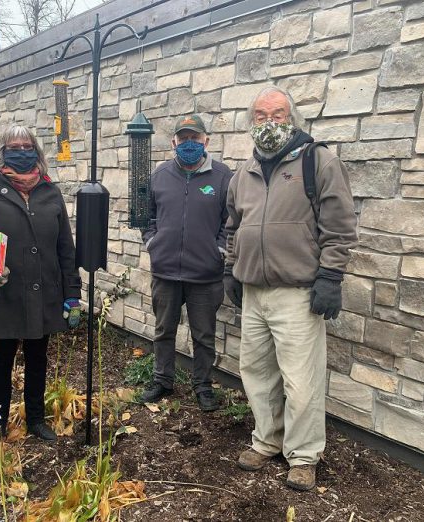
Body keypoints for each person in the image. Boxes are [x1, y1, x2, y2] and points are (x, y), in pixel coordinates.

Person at [224, 86, 358, 491]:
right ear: (252, 123)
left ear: (293, 117)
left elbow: (339, 228)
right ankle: (267, 440)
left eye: (278, 114)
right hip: (254, 292)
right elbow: (233, 228)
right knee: (257, 373)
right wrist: (232, 269)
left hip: (297, 293)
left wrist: (330, 277)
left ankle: (302, 456)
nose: (270, 123)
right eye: (261, 116)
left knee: (301, 381)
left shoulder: (320, 162)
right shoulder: (243, 173)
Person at [0, 125, 82, 446]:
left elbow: (66, 246)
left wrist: (72, 294)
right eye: (13, 147)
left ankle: (36, 419)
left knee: (38, 357)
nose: (21, 152)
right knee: (1, 360)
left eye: (27, 146)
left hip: (45, 290)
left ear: (36, 151)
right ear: (1, 151)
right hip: (3, 292)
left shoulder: (50, 190)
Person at [140, 114, 233, 412]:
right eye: (184, 139)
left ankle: (203, 385)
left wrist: (219, 249)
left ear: (206, 140)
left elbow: (229, 221)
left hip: (206, 275)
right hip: (165, 271)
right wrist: (152, 241)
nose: (189, 144)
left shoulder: (223, 176)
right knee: (163, 330)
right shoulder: (160, 174)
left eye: (195, 138)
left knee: (203, 336)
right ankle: (162, 380)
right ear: (174, 142)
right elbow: (147, 215)